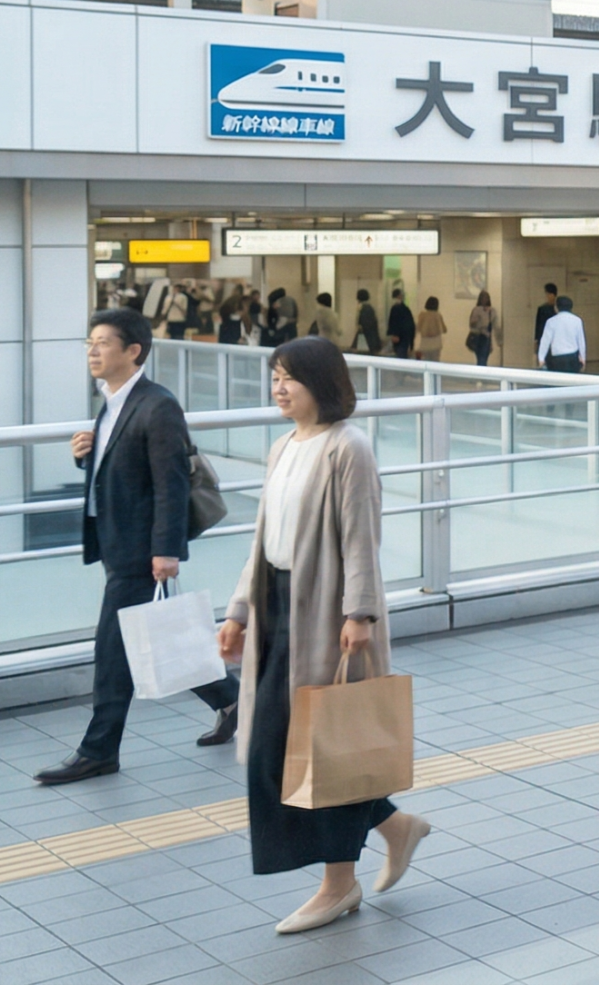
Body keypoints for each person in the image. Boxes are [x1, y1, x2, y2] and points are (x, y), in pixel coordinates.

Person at [215, 337, 430, 935]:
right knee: (277, 747)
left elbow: (361, 537)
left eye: (290, 377)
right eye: (275, 376)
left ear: (322, 383)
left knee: (327, 745)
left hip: (329, 615)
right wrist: (238, 612)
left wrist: (359, 613)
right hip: (277, 606)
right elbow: (262, 541)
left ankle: (339, 884)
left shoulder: (347, 447)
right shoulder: (283, 446)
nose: (279, 388)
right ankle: (395, 827)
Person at [35, 309, 242, 786]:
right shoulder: (112, 401)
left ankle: (98, 751)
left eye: (103, 343)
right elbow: (125, 467)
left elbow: (171, 483)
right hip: (117, 543)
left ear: (133, 351)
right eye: (89, 342)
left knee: (112, 651)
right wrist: (85, 454)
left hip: (140, 551)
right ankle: (232, 700)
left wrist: (166, 551)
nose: (92, 351)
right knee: (164, 634)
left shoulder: (157, 404)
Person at [537, 295, 587, 373]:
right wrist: (583, 357)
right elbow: (581, 341)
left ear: (556, 307)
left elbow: (545, 341)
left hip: (556, 358)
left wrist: (541, 358)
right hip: (572, 357)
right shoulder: (577, 320)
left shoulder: (551, 321)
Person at [465, 291, 498, 367]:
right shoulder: (476, 310)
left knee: (483, 359)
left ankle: (481, 372)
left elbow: (492, 327)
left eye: (486, 298)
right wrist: (479, 319)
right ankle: (481, 372)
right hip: (479, 337)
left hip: (486, 337)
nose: (484, 300)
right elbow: (472, 324)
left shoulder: (492, 311)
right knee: (481, 359)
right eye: (483, 298)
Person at [384, 289, 415, 360]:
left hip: (399, 337)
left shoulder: (395, 308)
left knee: (399, 356)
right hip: (404, 336)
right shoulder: (404, 308)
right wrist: (411, 342)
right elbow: (410, 324)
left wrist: (394, 334)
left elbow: (394, 322)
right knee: (402, 356)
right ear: (399, 296)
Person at [414, 296, 446, 362]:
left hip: (425, 342)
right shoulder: (438, 315)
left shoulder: (422, 315)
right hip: (436, 342)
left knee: (425, 361)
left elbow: (418, 328)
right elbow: (444, 329)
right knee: (435, 361)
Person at [350, 290, 380, 355]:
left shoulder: (364, 308)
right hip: (371, 338)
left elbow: (364, 325)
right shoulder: (369, 307)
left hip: (367, 339)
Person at [534, 283, 559, 350]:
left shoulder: (559, 308)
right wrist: (537, 340)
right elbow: (538, 326)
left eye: (549, 294)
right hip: (545, 338)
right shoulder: (542, 309)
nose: (547, 296)